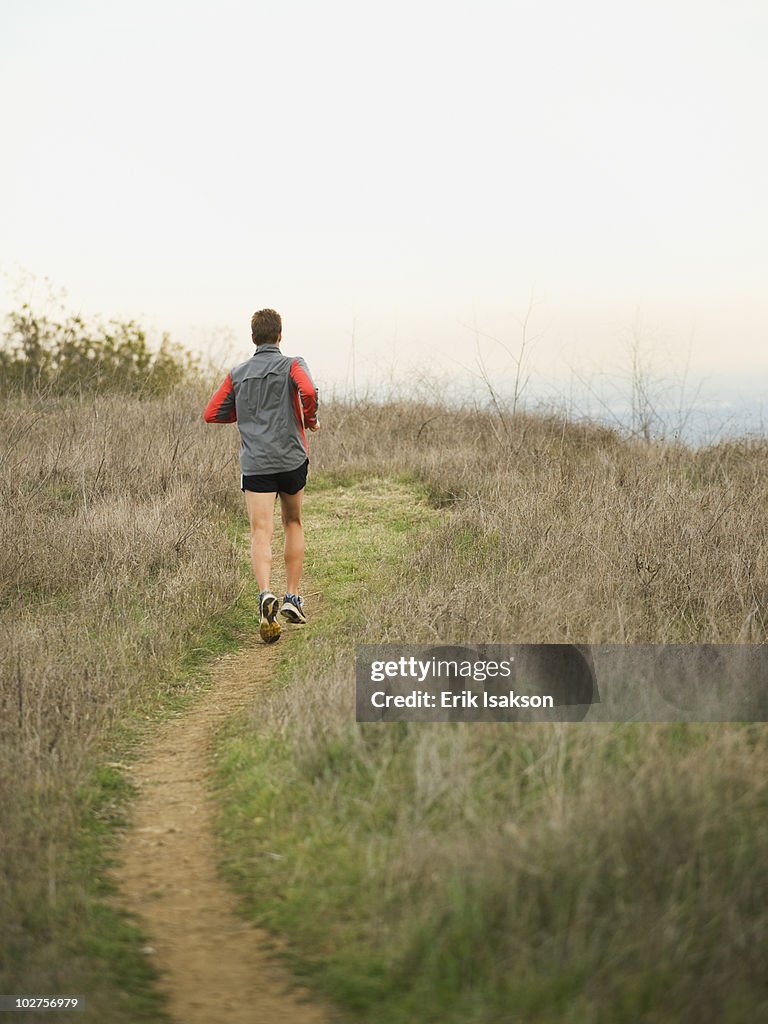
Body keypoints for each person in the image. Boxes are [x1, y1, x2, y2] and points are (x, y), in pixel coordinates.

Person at [203, 308, 319, 644]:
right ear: (279, 336)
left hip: (256, 462)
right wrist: (309, 420)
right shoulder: (292, 364)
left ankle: (265, 593)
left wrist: (247, 418)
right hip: (291, 458)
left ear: (253, 337)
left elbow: (212, 413)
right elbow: (308, 392)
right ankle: (293, 598)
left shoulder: (238, 373)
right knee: (292, 523)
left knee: (260, 531)